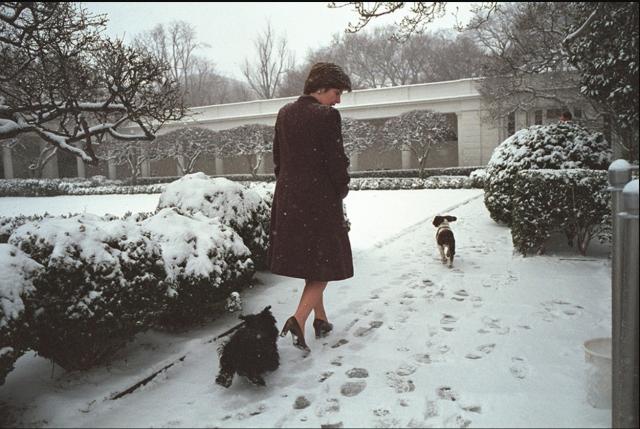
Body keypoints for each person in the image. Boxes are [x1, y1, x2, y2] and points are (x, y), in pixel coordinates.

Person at [267, 62, 353, 353]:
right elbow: (335, 160)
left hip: (289, 199)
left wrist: (290, 189)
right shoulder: (327, 116)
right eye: (336, 92)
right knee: (326, 264)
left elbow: (278, 159)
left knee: (312, 261)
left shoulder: (284, 113)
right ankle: (298, 319)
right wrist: (341, 188)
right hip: (320, 200)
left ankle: (321, 319)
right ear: (320, 88)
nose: (338, 99)